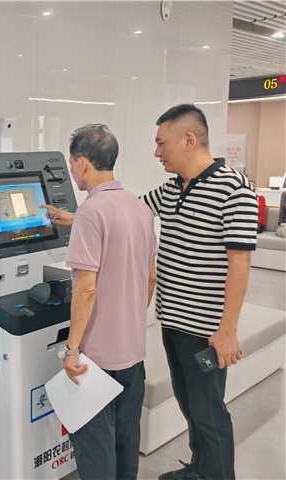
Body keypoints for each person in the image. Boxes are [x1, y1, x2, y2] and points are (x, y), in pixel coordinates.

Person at [45, 105, 258, 480]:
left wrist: (228, 329)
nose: (156, 152)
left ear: (188, 140)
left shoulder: (234, 188)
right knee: (190, 406)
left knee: (208, 413)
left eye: (161, 143)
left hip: (206, 328)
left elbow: (240, 263)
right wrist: (75, 218)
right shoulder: (171, 189)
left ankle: (216, 475)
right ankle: (200, 470)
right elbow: (121, 214)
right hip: (173, 323)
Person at [59, 124, 157, 480]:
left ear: (83, 163)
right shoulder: (139, 207)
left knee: (96, 449)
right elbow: (150, 276)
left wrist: (72, 350)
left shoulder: (91, 211)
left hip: (96, 360)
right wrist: (127, 319)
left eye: (72, 163)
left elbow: (86, 288)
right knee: (126, 441)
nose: (72, 171)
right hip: (133, 352)